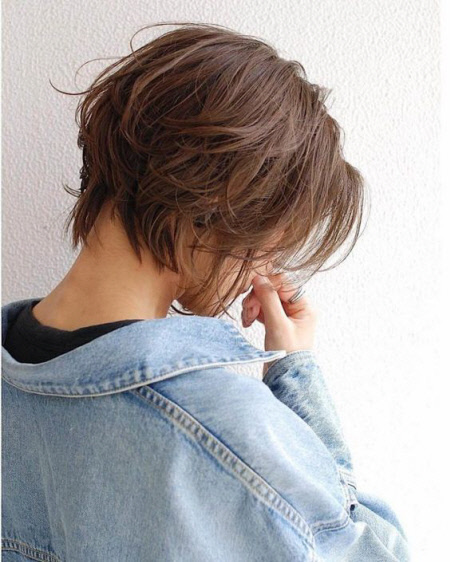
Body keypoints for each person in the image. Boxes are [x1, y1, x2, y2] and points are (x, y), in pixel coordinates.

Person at [1, 22, 410, 561]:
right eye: (273, 241)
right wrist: (296, 372)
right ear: (218, 202)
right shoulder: (225, 436)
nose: (265, 269)